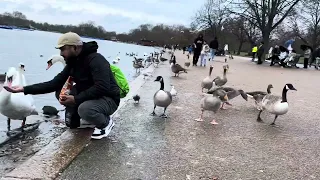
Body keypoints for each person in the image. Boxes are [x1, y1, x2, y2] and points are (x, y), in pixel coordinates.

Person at [5, 32, 120, 140]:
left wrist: (76, 99)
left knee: (85, 109)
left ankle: (105, 123)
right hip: (91, 96)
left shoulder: (96, 60)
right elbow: (54, 83)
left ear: (75, 47)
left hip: (108, 98)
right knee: (62, 94)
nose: (60, 54)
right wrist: (24, 89)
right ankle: (88, 120)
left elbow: (102, 87)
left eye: (63, 49)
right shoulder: (73, 62)